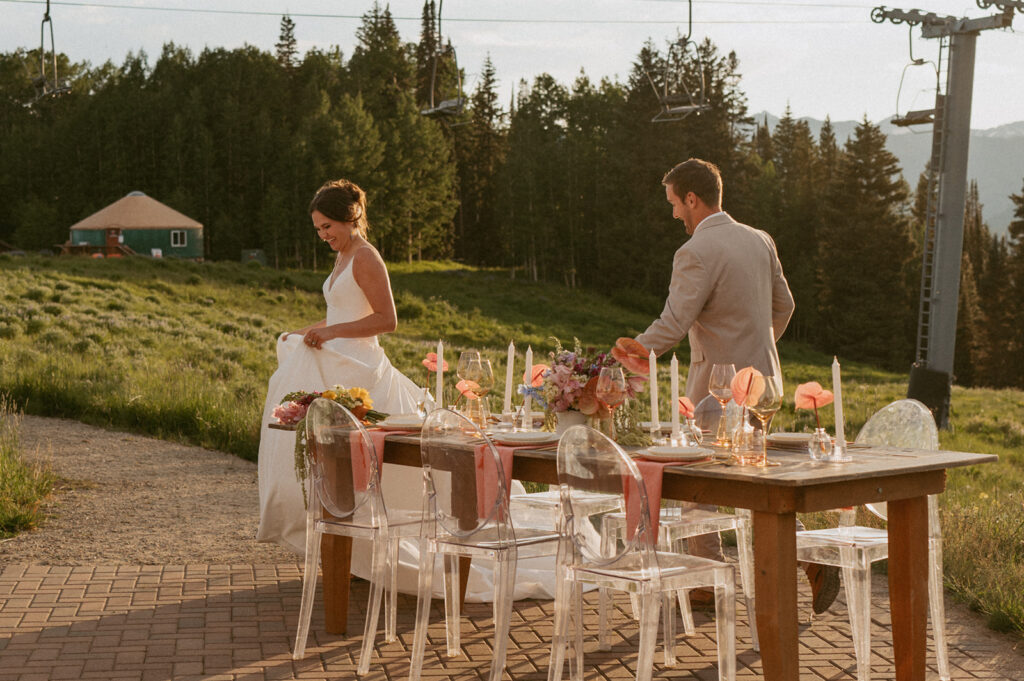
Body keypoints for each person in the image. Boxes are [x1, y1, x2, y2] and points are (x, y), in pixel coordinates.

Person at [256, 179, 555, 602]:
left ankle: (437, 540)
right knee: (340, 467)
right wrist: (303, 333)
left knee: (391, 468)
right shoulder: (342, 256)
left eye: (328, 227)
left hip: (365, 369)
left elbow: (387, 319)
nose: (324, 235)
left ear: (350, 217)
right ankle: (355, 552)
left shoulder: (365, 257)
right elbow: (337, 313)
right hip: (341, 362)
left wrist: (333, 332)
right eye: (318, 229)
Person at [634, 159, 838, 614]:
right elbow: (784, 306)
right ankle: (719, 577)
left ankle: (792, 561)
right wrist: (754, 357)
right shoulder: (758, 239)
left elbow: (673, 322)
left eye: (674, 203)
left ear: (692, 198)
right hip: (762, 383)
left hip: (718, 388)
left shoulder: (696, 251)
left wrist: (627, 358)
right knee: (750, 478)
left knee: (702, 479)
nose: (673, 215)